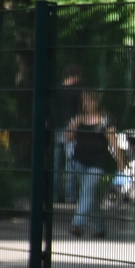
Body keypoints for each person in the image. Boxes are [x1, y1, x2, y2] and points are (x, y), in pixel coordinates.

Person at [66, 91, 125, 238]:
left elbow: (113, 141)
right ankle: (99, 228)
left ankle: (77, 224)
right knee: (90, 194)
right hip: (79, 161)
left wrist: (121, 161)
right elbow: (68, 138)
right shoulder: (79, 119)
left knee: (87, 191)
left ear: (97, 102)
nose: (88, 104)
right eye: (85, 101)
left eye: (91, 101)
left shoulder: (106, 120)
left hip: (98, 162)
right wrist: (73, 124)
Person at [49, 65, 83, 204]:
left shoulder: (56, 90)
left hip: (56, 128)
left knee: (56, 164)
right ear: (74, 76)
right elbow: (80, 112)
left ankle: (56, 195)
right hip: (71, 130)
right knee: (70, 164)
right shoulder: (77, 92)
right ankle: (70, 196)